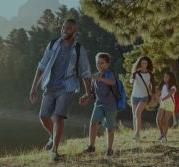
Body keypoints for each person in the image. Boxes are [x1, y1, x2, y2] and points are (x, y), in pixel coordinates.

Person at [29, 19, 91, 161]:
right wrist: (34, 87)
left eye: (68, 28)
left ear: (74, 31)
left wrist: (88, 92)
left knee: (58, 117)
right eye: (63, 27)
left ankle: (54, 151)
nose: (64, 30)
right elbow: (41, 66)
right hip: (50, 86)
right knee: (43, 116)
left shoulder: (78, 49)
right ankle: (53, 136)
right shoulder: (52, 44)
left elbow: (86, 72)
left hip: (67, 87)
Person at [80, 52, 117, 156]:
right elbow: (92, 91)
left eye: (102, 63)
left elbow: (112, 82)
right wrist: (86, 97)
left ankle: (109, 149)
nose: (99, 65)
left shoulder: (109, 73)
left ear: (107, 64)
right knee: (93, 123)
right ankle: (91, 146)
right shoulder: (95, 75)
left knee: (109, 128)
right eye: (97, 63)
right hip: (99, 104)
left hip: (110, 105)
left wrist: (99, 78)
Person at [130, 56, 155, 140]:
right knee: (134, 115)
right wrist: (132, 79)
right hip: (134, 96)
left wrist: (152, 97)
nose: (144, 64)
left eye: (145, 63)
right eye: (142, 63)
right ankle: (135, 134)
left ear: (148, 64)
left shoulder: (150, 74)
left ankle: (137, 134)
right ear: (140, 63)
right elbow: (131, 81)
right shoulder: (135, 73)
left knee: (137, 113)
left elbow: (153, 87)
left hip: (144, 97)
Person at [157, 71, 178, 142]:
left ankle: (164, 137)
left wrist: (162, 98)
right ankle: (162, 134)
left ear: (170, 78)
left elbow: (170, 94)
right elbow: (158, 94)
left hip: (170, 104)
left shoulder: (173, 87)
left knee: (164, 121)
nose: (165, 78)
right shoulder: (162, 86)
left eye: (167, 77)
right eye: (164, 76)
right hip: (162, 104)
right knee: (158, 120)